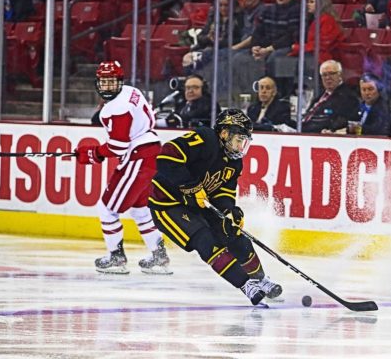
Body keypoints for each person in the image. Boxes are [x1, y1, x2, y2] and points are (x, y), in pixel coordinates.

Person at [147, 109, 283, 305]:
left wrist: (230, 211)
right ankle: (245, 284)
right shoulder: (206, 139)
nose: (240, 146)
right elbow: (166, 157)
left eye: (244, 141)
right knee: (205, 240)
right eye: (238, 139)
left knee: (234, 234)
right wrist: (188, 185)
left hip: (198, 203)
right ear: (225, 133)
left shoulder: (234, 163)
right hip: (169, 205)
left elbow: (224, 192)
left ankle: (260, 279)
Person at [74, 61, 172, 275]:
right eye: (104, 82)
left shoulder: (115, 107)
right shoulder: (132, 92)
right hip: (152, 151)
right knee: (140, 210)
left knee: (106, 208)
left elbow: (119, 145)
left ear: (120, 81)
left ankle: (116, 258)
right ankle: (159, 256)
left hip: (138, 156)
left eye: (112, 82)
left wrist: (93, 154)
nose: (107, 86)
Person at [300, 60, 361, 134]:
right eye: (324, 75)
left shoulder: (348, 97)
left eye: (332, 73)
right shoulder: (320, 95)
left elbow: (341, 122)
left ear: (340, 75)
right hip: (303, 131)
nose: (328, 77)